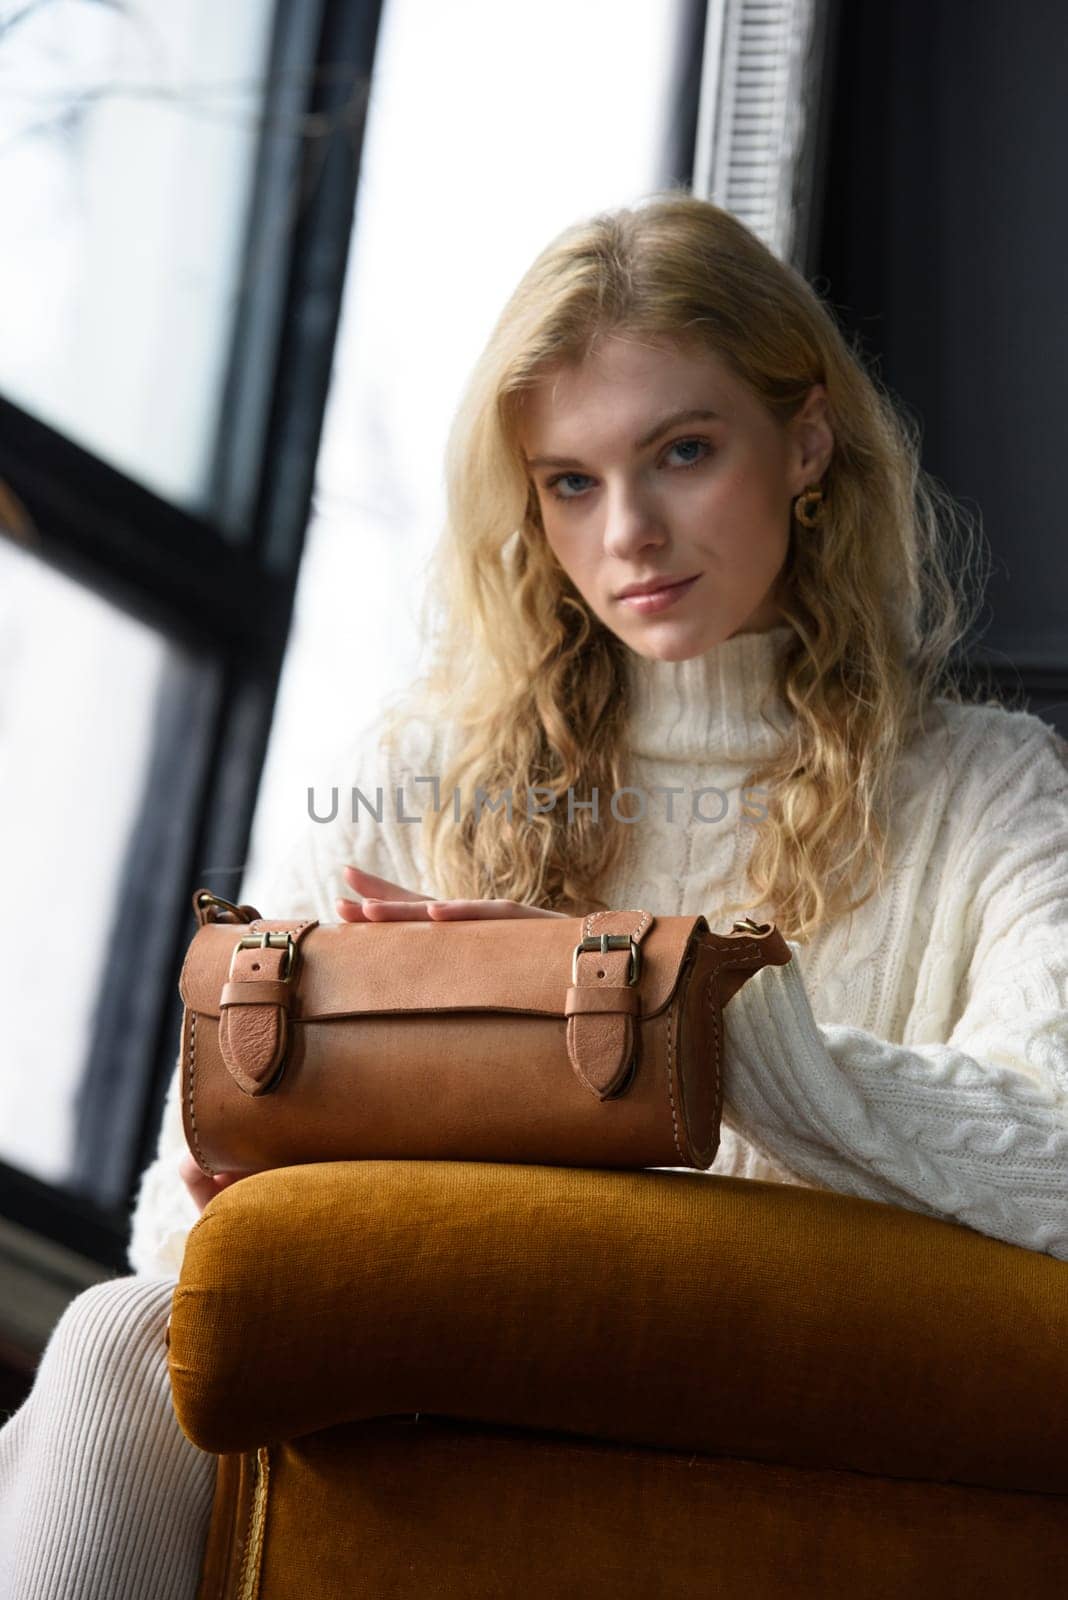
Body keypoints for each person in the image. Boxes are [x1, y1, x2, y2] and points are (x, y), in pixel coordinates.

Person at [2, 188, 1066, 1598]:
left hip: (807, 1386)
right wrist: (257, 1161)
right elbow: (177, 1239)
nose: (627, 531)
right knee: (122, 1332)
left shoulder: (990, 789)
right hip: (442, 1387)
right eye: (569, 480)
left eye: (682, 451)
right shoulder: (419, 769)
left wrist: (681, 1021)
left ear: (806, 440)